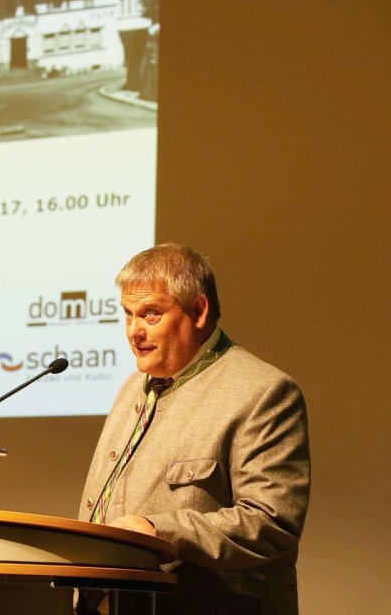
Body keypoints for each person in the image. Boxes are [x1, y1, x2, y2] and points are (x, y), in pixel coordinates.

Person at [78, 244, 310, 615]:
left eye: (151, 314)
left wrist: (159, 532)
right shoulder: (132, 388)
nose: (134, 331)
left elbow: (270, 522)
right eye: (128, 315)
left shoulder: (262, 392)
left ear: (199, 311)